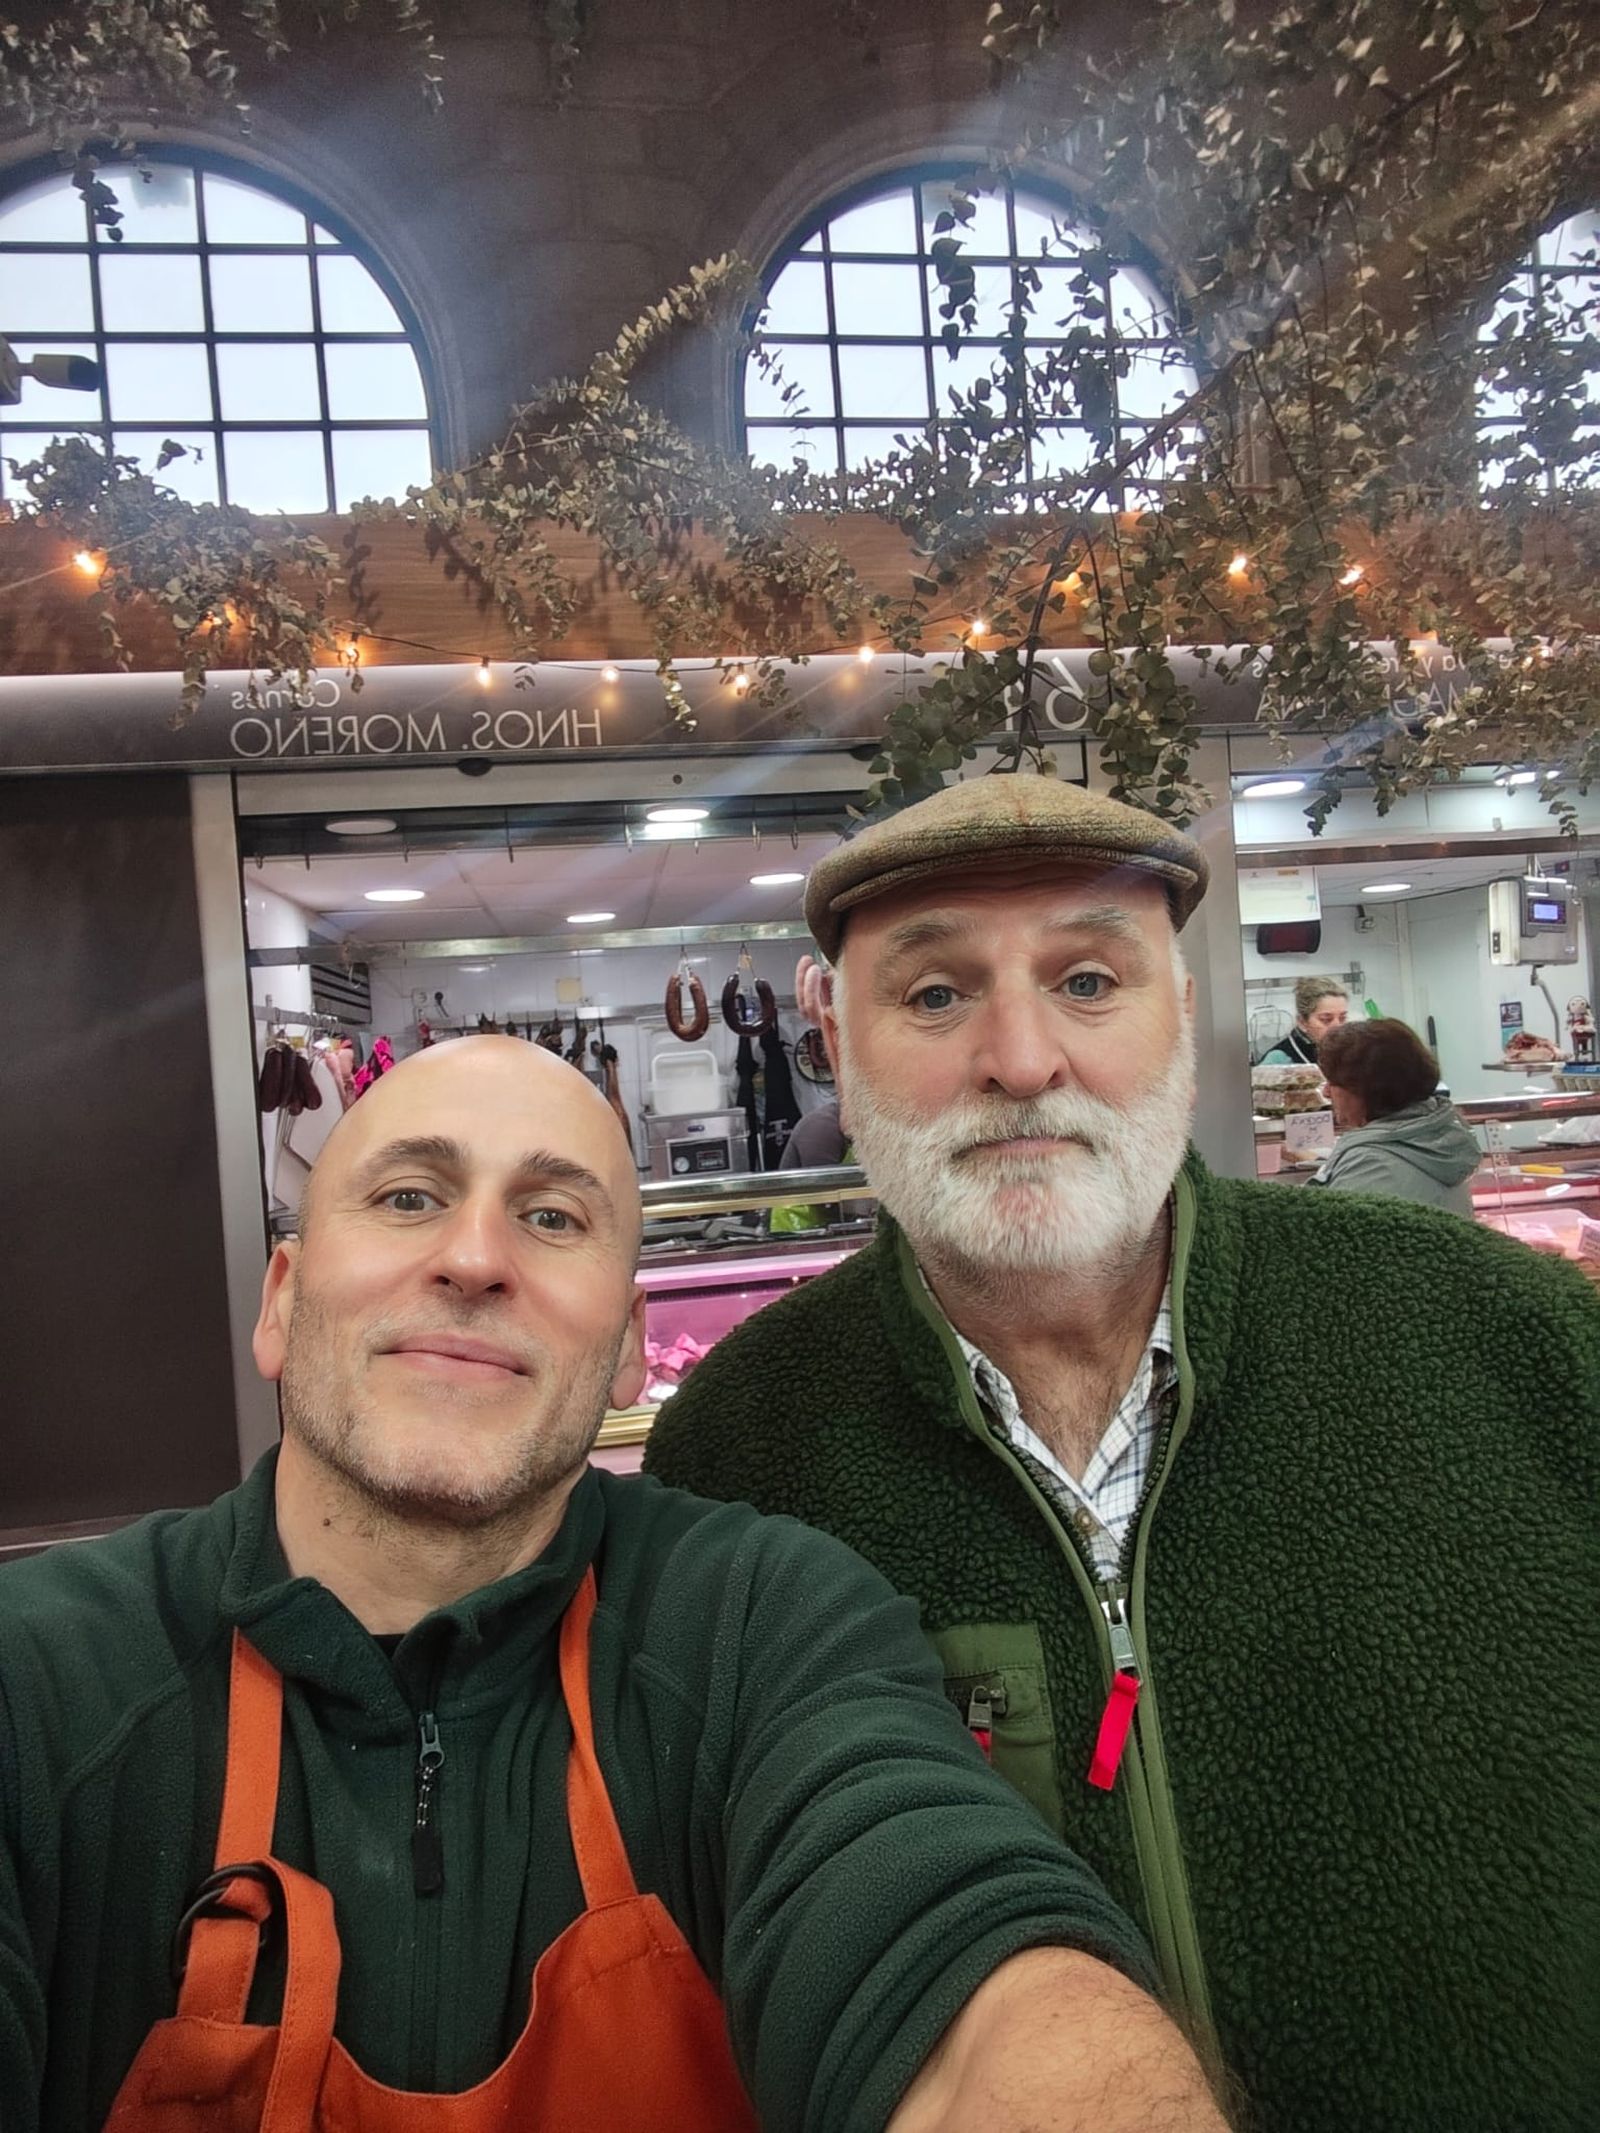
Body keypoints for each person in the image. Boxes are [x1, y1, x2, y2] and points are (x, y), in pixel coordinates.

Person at [0, 1035, 1231, 2133]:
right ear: (279, 1302)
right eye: (410, 1196)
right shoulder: (38, 1679)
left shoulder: (764, 1626)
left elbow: (951, 1952)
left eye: (551, 1217)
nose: (474, 1258)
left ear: (633, 1347)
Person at [644, 773, 1600, 2133]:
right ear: (834, 1049)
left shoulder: (1513, 1341)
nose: (1022, 1057)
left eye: (1089, 981)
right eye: (934, 997)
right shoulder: (735, 1455)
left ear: (1187, 1022)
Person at [1312, 1017, 1481, 1212]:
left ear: (1365, 1090)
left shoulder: (1370, 1165)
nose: (1326, 1092)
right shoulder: (1442, 1135)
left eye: (1332, 1082)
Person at [1257, 974, 1347, 1063]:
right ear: (1302, 1022)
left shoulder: (1347, 1050)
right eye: (1326, 1019)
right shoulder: (1278, 1059)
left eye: (1342, 1018)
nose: (1338, 1027)